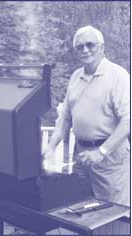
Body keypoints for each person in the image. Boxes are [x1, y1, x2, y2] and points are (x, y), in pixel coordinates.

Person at [44, 25, 130, 207]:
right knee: (81, 211)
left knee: (112, 215)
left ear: (102, 47)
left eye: (90, 45)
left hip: (110, 160)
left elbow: (128, 120)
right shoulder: (75, 77)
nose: (85, 50)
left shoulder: (118, 76)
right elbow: (65, 118)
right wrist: (51, 147)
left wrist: (101, 152)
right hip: (81, 157)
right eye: (80, 46)